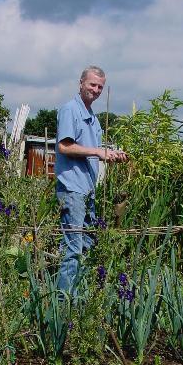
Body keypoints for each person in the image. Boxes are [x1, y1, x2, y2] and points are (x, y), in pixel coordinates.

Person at [55, 66, 126, 294]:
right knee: (73, 249)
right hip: (72, 189)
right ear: (81, 83)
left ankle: (79, 301)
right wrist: (98, 152)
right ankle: (64, 305)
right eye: (92, 84)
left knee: (86, 247)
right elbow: (64, 147)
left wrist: (111, 154)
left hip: (87, 191)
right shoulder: (70, 110)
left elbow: (93, 150)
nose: (95, 90)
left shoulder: (93, 118)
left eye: (100, 87)